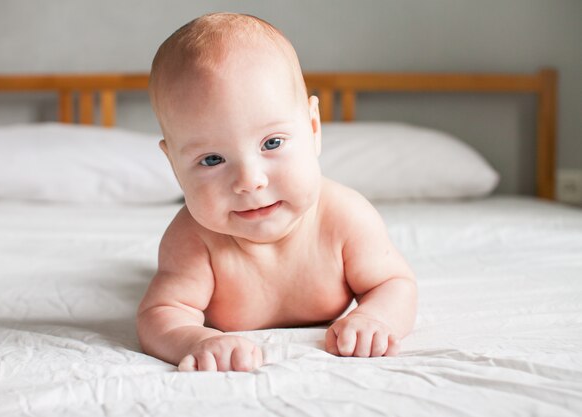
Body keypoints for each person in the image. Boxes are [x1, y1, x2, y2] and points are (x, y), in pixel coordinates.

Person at [137, 12, 417, 372]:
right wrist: (197, 339)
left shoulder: (345, 218)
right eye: (212, 159)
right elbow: (160, 314)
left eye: (271, 142)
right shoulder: (193, 239)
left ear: (313, 128)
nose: (250, 181)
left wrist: (376, 318)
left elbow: (394, 283)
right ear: (174, 165)